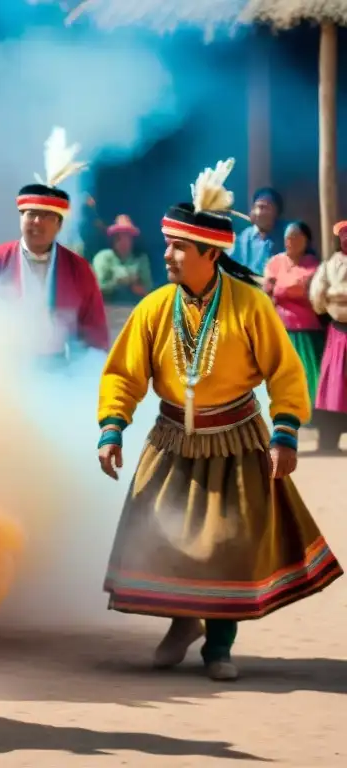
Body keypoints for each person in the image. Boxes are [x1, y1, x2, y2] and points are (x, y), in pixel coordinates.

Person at [97, 159, 342, 682]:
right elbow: (124, 372)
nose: (167, 255)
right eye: (167, 246)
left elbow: (285, 373)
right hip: (170, 440)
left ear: (211, 254)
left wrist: (285, 433)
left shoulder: (251, 305)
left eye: (178, 247)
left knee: (227, 544)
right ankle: (183, 623)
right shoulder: (155, 307)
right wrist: (113, 426)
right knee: (165, 538)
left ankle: (219, 648)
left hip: (236, 441)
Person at [0, 127, 109, 356]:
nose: (36, 222)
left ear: (59, 225)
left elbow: (95, 333)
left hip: (62, 369)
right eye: (30, 214)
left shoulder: (79, 270)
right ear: (20, 217)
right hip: (3, 368)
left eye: (46, 216)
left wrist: (89, 371)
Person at [263, 221, 324, 409]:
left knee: (307, 371)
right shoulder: (275, 262)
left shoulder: (314, 265)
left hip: (306, 329)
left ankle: (308, 410)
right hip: (281, 328)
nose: (291, 241)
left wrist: (284, 288)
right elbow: (267, 289)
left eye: (296, 237)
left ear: (306, 240)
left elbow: (311, 292)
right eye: (288, 237)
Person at [310, 220, 347, 453]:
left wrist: (337, 294)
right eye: (344, 235)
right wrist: (334, 299)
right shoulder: (329, 265)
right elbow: (317, 296)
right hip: (338, 330)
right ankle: (328, 442)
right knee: (334, 386)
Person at [92, 215, 153, 305]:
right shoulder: (102, 258)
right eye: (119, 237)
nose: (124, 241)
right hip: (107, 308)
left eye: (127, 237)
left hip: (134, 308)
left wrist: (137, 287)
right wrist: (116, 282)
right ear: (113, 239)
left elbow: (149, 288)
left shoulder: (141, 259)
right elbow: (96, 288)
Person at [231, 187, 286, 275]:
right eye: (258, 207)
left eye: (266, 208)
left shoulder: (287, 237)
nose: (260, 213)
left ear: (277, 211)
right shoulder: (242, 239)